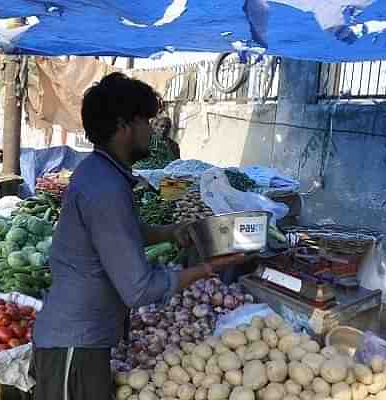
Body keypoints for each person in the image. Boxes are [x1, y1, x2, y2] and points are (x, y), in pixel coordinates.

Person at [32, 73, 246, 400]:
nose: (151, 130)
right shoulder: (105, 188)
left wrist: (173, 234)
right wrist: (207, 271)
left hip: (80, 339)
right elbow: (139, 289)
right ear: (123, 127)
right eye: (145, 120)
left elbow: (119, 232)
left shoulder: (99, 172)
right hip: (73, 347)